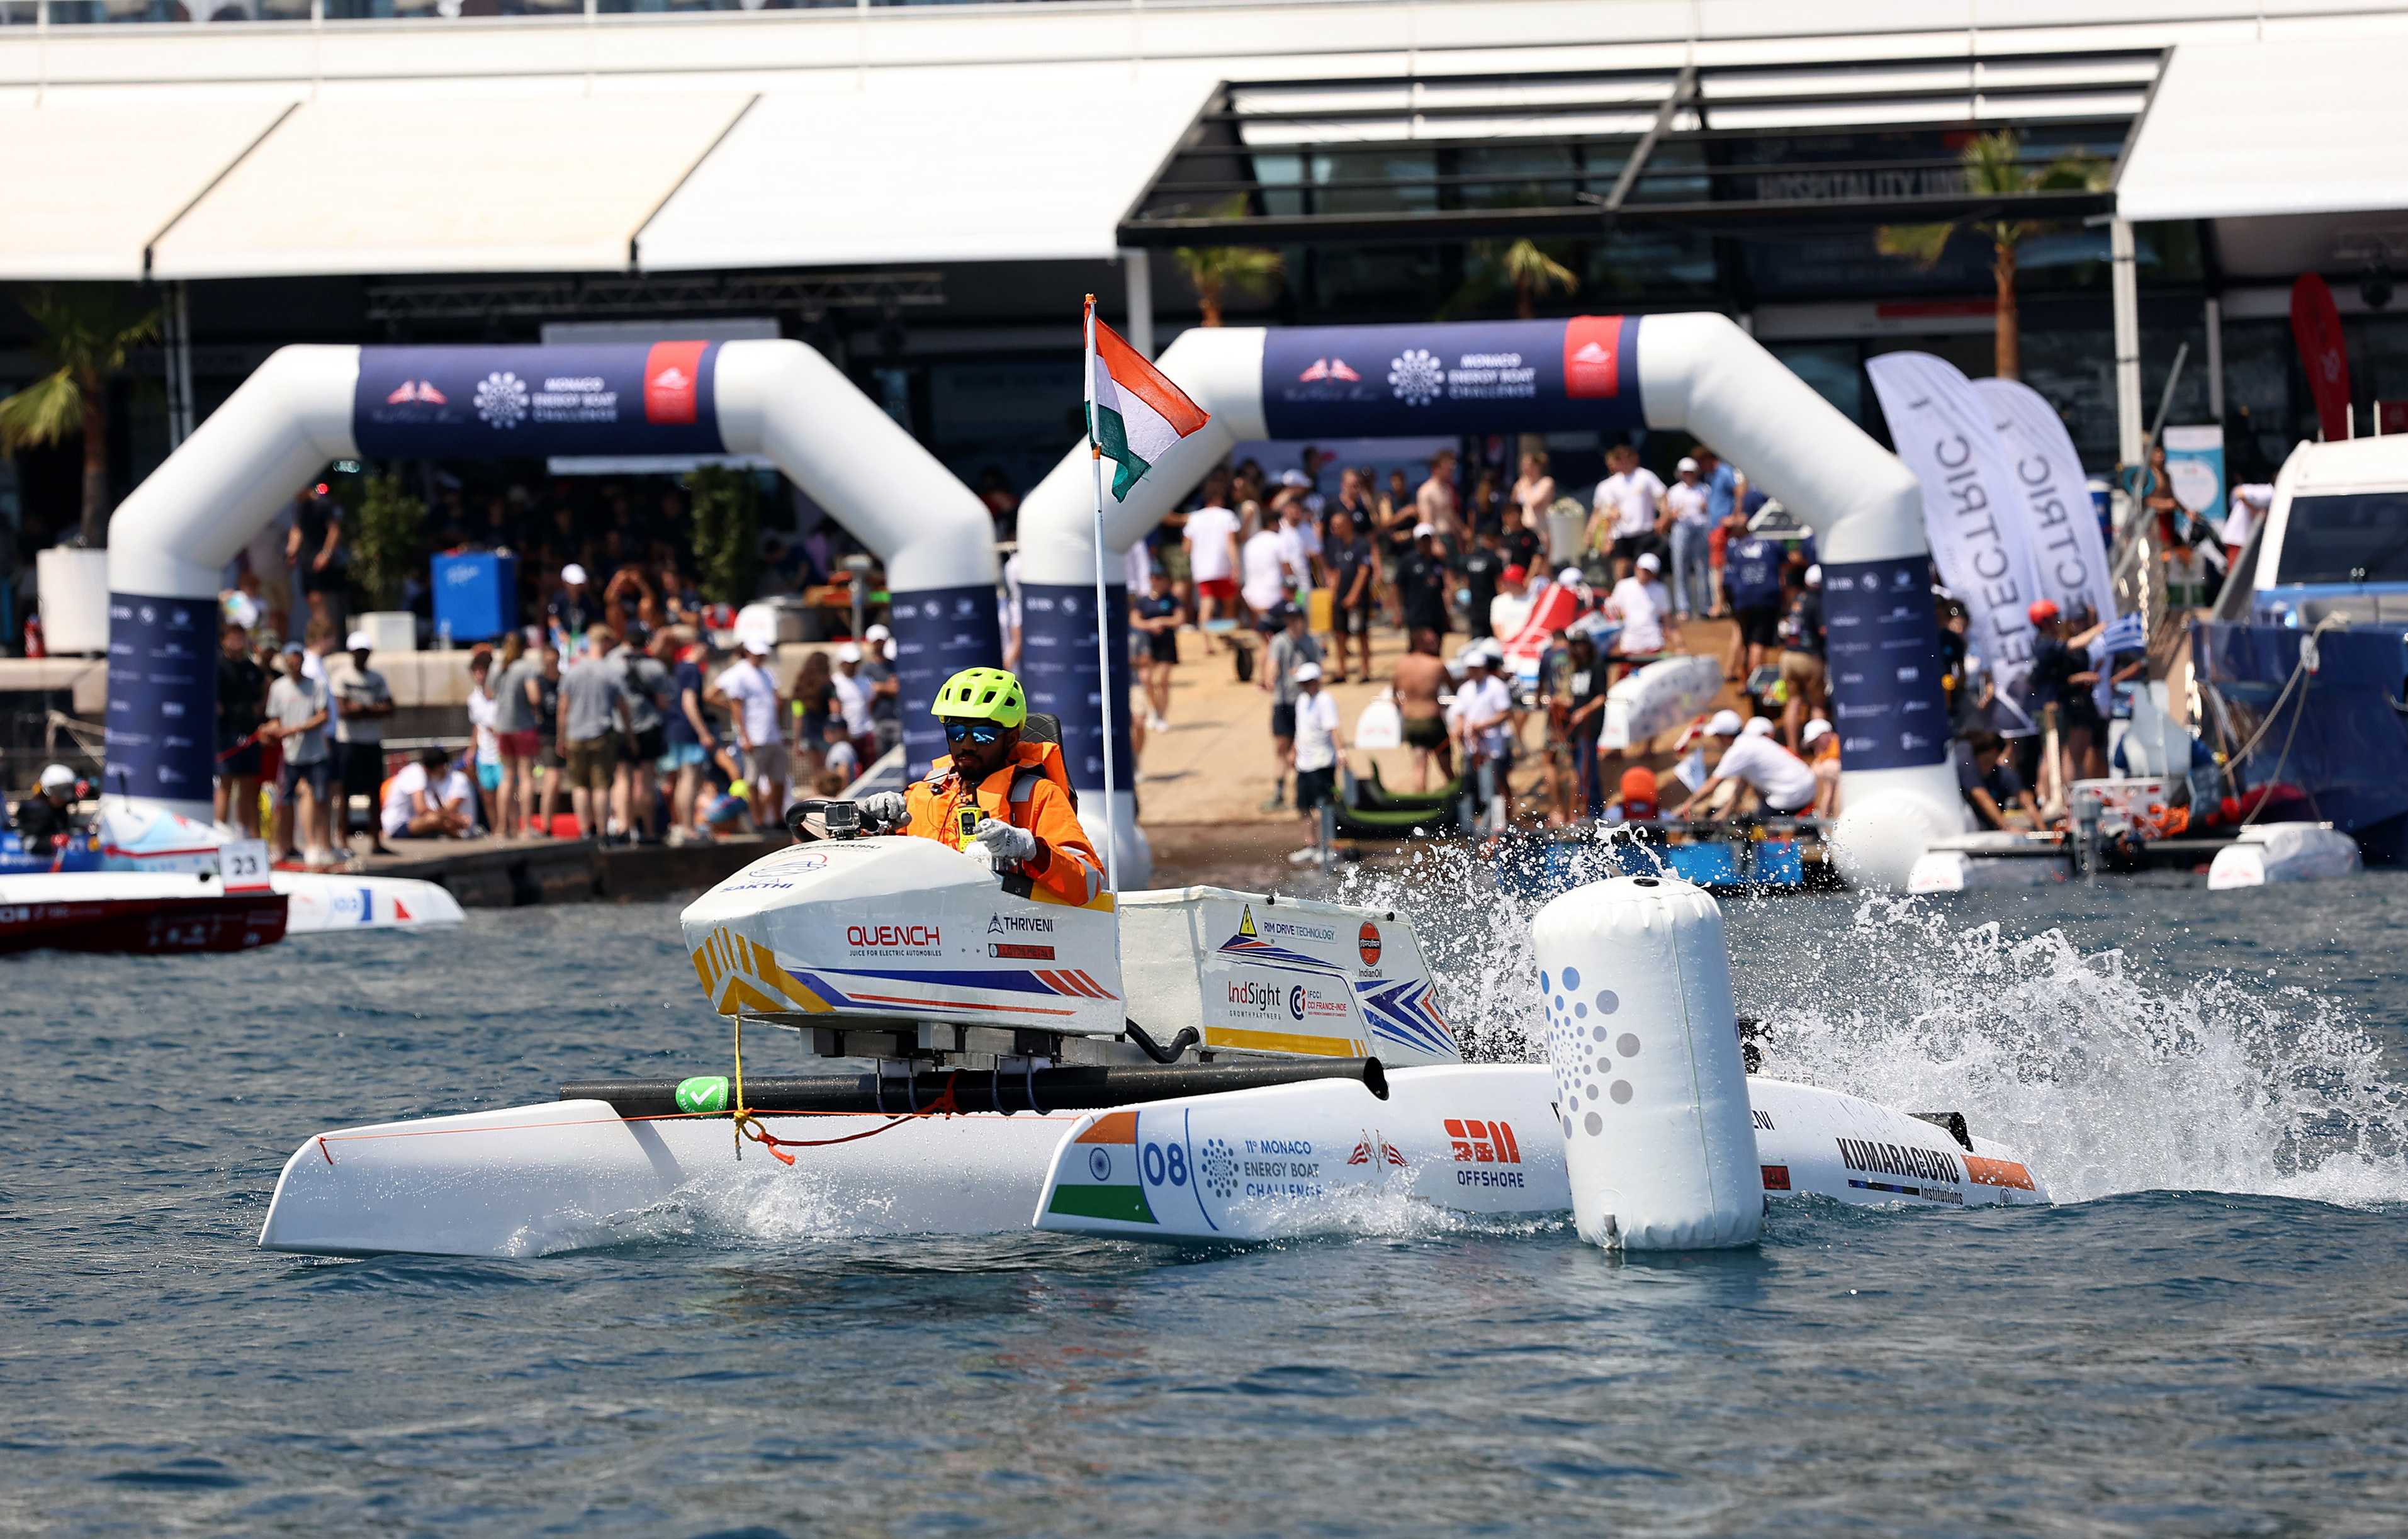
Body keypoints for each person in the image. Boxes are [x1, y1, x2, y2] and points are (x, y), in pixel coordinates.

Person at [858, 667, 1103, 906]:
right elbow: (873, 873)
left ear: (1011, 738)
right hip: (926, 925)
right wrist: (875, 826)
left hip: (1007, 924)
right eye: (956, 731)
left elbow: (1089, 883)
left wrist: (1030, 848)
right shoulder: (922, 795)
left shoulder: (1039, 795)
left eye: (983, 734)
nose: (967, 745)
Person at [261, 641, 333, 868]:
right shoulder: (278, 687)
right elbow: (275, 719)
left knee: (319, 799)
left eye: (297, 659)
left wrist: (294, 729)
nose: (294, 663)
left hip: (315, 753)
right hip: (290, 755)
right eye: (290, 660)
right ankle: (283, 846)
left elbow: (323, 716)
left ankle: (319, 845)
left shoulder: (317, 685)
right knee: (284, 802)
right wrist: (270, 731)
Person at [1672, 709, 1816, 819]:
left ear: (1724, 736)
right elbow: (1742, 784)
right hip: (1807, 783)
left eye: (1717, 737)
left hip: (1794, 792)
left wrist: (1686, 806)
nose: (1717, 741)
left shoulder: (1738, 751)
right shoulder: (1750, 740)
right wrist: (1725, 813)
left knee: (1760, 826)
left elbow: (1711, 785)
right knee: (1759, 817)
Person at [557, 628, 631, 841]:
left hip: (575, 734)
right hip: (601, 734)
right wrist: (630, 735)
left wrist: (561, 737)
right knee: (601, 786)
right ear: (605, 642)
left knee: (579, 785)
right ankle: (602, 831)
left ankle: (585, 831)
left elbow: (563, 708)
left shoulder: (573, 671)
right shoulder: (610, 672)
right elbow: (623, 707)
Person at [329, 629, 395, 857]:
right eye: (358, 652)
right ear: (351, 653)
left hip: (371, 741)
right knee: (345, 791)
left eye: (365, 652)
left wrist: (362, 708)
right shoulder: (341, 676)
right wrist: (372, 709)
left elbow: (390, 708)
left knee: (374, 790)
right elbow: (343, 711)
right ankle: (343, 839)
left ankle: (376, 840)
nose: (362, 656)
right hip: (348, 741)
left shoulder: (377, 678)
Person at [709, 638, 785, 824]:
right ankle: (758, 820)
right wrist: (745, 736)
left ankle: (776, 818)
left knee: (778, 778)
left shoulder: (767, 673)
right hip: (754, 737)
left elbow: (777, 699)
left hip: (772, 735)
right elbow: (735, 705)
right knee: (753, 780)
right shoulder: (739, 674)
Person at [609, 624, 671, 843]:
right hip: (648, 726)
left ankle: (623, 828)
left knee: (622, 779)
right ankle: (649, 831)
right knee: (646, 779)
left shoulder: (612, 664)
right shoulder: (655, 667)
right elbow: (663, 702)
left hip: (620, 726)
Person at [1261, 604, 1324, 811]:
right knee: (1281, 747)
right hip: (1283, 702)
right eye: (1289, 619)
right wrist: (1270, 677)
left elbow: (1318, 669)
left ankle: (1304, 793)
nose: (1293, 623)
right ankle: (1279, 792)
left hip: (1303, 703)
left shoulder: (1311, 641)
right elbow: (1272, 664)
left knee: (1302, 749)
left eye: (1296, 619)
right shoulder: (1280, 641)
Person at [1449, 643, 1516, 825]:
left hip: (1493, 746)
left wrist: (1483, 725)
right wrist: (1458, 729)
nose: (1473, 672)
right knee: (1471, 786)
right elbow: (1460, 714)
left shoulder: (1496, 687)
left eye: (1476, 668)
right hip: (1472, 747)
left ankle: (1499, 824)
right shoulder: (1465, 689)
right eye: (1471, 669)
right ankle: (1473, 824)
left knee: (1494, 786)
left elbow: (1505, 713)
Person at [663, 633, 717, 844]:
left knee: (682, 778)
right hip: (688, 730)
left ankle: (683, 825)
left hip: (675, 728)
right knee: (690, 778)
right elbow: (689, 702)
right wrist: (703, 732)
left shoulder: (678, 668)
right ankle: (688, 827)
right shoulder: (692, 670)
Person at [215, 620, 267, 837]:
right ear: (223, 641)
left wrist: (260, 707)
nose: (237, 643)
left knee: (248, 782)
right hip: (227, 733)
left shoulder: (251, 668)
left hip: (250, 733)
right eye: (233, 638)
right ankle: (220, 828)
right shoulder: (218, 666)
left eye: (241, 638)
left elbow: (266, 685)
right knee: (226, 780)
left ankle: (242, 829)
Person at [1588, 444, 1667, 582]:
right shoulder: (1611, 484)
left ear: (1634, 459)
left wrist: (1663, 519)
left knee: (1645, 570)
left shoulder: (1646, 476)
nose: (1623, 463)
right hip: (1622, 533)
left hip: (1644, 532)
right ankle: (1620, 593)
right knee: (1621, 568)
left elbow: (1662, 498)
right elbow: (1606, 511)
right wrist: (1602, 536)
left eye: (1626, 458)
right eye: (1619, 459)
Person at [1722, 517, 1786, 684]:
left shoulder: (1734, 548)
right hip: (1766, 599)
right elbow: (1784, 569)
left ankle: (1744, 682)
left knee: (1745, 642)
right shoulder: (1772, 545)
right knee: (1758, 643)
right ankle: (1755, 685)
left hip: (1741, 600)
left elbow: (1727, 580)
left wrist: (1730, 604)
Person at [493, 632, 542, 840]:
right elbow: (535, 697)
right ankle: (526, 827)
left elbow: (490, 693)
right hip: (523, 726)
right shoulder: (526, 668)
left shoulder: (498, 667)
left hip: (502, 727)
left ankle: (501, 828)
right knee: (526, 777)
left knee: (507, 777)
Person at [1392, 628, 1452, 791]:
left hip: (1411, 722)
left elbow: (1395, 693)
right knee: (1446, 767)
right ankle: (1460, 799)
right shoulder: (1437, 665)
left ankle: (1421, 801)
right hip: (1433, 721)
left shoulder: (1402, 664)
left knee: (1419, 768)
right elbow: (1455, 689)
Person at [1290, 661, 1344, 837]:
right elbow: (1301, 730)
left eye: (1307, 682)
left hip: (1322, 761)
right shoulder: (1302, 700)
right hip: (1304, 763)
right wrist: (1294, 751)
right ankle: (1311, 843)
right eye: (1302, 683)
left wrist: (1341, 752)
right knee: (1303, 806)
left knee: (1325, 806)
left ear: (1316, 681)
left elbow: (1333, 729)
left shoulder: (1325, 700)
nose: (1304, 686)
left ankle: (1329, 843)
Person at [1777, 565, 1828, 752]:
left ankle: (1792, 749)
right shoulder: (1818, 601)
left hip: (1788, 657)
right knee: (1817, 705)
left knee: (1793, 702)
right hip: (1809, 657)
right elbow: (1823, 630)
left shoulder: (1798, 599)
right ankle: (1821, 752)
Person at [1182, 493, 1244, 643]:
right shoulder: (1227, 515)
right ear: (1220, 499)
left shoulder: (1194, 518)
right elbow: (1231, 543)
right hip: (1224, 567)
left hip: (1202, 569)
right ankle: (1227, 638)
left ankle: (1206, 643)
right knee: (1229, 603)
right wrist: (1236, 565)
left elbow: (1186, 547)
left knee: (1206, 603)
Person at [1131, 567, 1184, 733]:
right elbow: (1134, 620)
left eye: (1159, 578)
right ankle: (1154, 709)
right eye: (1153, 577)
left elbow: (1179, 619)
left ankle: (1162, 715)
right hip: (1147, 644)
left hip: (1166, 643)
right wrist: (1150, 625)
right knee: (1147, 679)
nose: (1156, 581)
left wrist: (1162, 621)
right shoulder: (1143, 601)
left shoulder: (1172, 599)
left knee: (1163, 680)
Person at [383, 745, 476, 840]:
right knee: (434, 819)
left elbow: (436, 809)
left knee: (438, 819)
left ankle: (458, 835)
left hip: (410, 822)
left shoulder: (429, 778)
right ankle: (460, 837)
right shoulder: (416, 773)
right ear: (440, 767)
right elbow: (421, 810)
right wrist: (455, 818)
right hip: (397, 825)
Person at [1325, 510, 1376, 684]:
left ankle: (1365, 670)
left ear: (1347, 525)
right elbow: (1338, 570)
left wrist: (1354, 595)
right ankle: (1342, 671)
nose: (1334, 529)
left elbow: (1364, 571)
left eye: (1337, 526)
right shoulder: (1337, 545)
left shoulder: (1361, 544)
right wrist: (1333, 593)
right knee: (1339, 633)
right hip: (1340, 596)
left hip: (1358, 598)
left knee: (1361, 633)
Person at [1956, 728, 2042, 830]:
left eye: (1991, 762)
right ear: (1975, 758)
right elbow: (1982, 797)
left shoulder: (2003, 774)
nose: (1987, 767)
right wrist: (2007, 828)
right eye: (1985, 761)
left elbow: (2027, 802)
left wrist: (2043, 830)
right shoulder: (1968, 769)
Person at [1605, 551, 1676, 672]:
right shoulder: (1623, 586)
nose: (1644, 574)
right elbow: (1612, 613)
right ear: (1636, 568)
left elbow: (1667, 619)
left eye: (1648, 572)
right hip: (1629, 646)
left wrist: (1679, 644)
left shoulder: (1661, 590)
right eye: (1643, 570)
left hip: (1653, 645)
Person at [285, 490, 344, 631]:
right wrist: (292, 552)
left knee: (322, 599)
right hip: (306, 560)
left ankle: (328, 634)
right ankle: (320, 632)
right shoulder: (299, 507)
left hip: (322, 559)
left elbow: (334, 530)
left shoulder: (323, 503)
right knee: (311, 598)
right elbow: (297, 530)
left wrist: (326, 554)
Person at [1662, 456, 1713, 621]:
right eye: (1685, 473)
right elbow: (1668, 514)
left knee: (1702, 566)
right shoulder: (1674, 491)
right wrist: (1673, 515)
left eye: (1691, 472)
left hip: (1701, 527)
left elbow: (1711, 510)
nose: (1688, 475)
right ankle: (1683, 607)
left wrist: (1706, 508)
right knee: (1680, 568)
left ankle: (1705, 606)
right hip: (1681, 528)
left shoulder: (1705, 489)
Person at [466, 651, 504, 832]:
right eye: (476, 672)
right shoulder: (473, 699)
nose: (479, 676)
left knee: (505, 793)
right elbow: (477, 726)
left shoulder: (500, 696)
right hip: (484, 754)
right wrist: (472, 749)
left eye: (482, 672)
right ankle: (495, 829)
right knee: (487, 795)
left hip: (502, 753)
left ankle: (507, 827)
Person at [1397, 524, 1453, 641]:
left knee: (1436, 646)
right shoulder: (1408, 562)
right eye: (1422, 540)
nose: (1425, 543)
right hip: (1416, 615)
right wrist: (1398, 612)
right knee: (1420, 648)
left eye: (1428, 540)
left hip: (1436, 615)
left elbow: (1443, 589)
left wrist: (1446, 614)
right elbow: (1398, 587)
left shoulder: (1438, 562)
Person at [1239, 503, 1290, 633]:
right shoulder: (1279, 541)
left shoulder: (1250, 543)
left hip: (1250, 597)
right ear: (1273, 523)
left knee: (1258, 632)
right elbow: (1287, 571)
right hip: (1275, 596)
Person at [13, 764, 84, 852]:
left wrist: (84, 789)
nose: (65, 797)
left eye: (68, 791)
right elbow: (27, 843)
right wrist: (53, 841)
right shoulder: (34, 811)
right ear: (48, 790)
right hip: (39, 858)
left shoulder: (60, 806)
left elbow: (77, 798)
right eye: (60, 792)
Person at [830, 642, 877, 768]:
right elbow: (835, 709)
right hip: (845, 737)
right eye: (849, 663)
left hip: (865, 734)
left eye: (855, 663)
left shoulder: (866, 681)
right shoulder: (835, 682)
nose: (852, 667)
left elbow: (870, 704)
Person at [860, 623, 903, 756]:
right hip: (877, 722)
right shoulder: (866, 669)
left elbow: (896, 688)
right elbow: (868, 692)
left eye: (881, 641)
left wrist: (879, 688)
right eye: (876, 642)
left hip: (897, 719)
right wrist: (885, 688)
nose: (879, 645)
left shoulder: (894, 665)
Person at [1459, 527, 1507, 640]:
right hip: (1491, 609)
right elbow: (1500, 584)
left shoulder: (1470, 558)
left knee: (1477, 643)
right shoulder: (1494, 559)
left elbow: (1466, 581)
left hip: (1475, 609)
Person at [548, 563, 598, 650]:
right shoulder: (559, 598)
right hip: (563, 634)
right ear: (565, 583)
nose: (576, 587)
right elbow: (553, 619)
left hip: (582, 636)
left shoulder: (586, 600)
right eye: (573, 584)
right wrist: (561, 633)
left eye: (578, 585)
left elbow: (592, 620)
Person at [1417, 449, 1462, 541]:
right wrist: (1435, 542)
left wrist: (1463, 531)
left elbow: (1451, 514)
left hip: (1451, 537)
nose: (1452, 470)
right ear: (1438, 468)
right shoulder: (1426, 491)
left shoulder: (1447, 489)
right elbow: (1426, 520)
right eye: (1449, 467)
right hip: (1439, 538)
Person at [1511, 449, 1557, 539]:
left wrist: (1526, 486)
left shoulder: (1546, 482)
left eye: (1529, 465)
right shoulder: (1521, 483)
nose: (1525, 468)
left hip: (1540, 532)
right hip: (1523, 532)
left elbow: (1534, 504)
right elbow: (1513, 504)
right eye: (1523, 465)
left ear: (1537, 466)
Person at [1803, 716, 1842, 818]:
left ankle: (1830, 821)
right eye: (1813, 744)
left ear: (1826, 734)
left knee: (1834, 789)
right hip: (1830, 773)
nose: (1816, 748)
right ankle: (1826, 822)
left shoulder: (1836, 743)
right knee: (1829, 791)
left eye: (1817, 741)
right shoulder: (1826, 751)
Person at [1489, 563, 1533, 643]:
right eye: (1506, 582)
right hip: (1507, 644)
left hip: (1530, 642)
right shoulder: (1498, 601)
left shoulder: (1535, 600)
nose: (1508, 585)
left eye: (1512, 582)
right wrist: (1505, 644)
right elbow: (1497, 625)